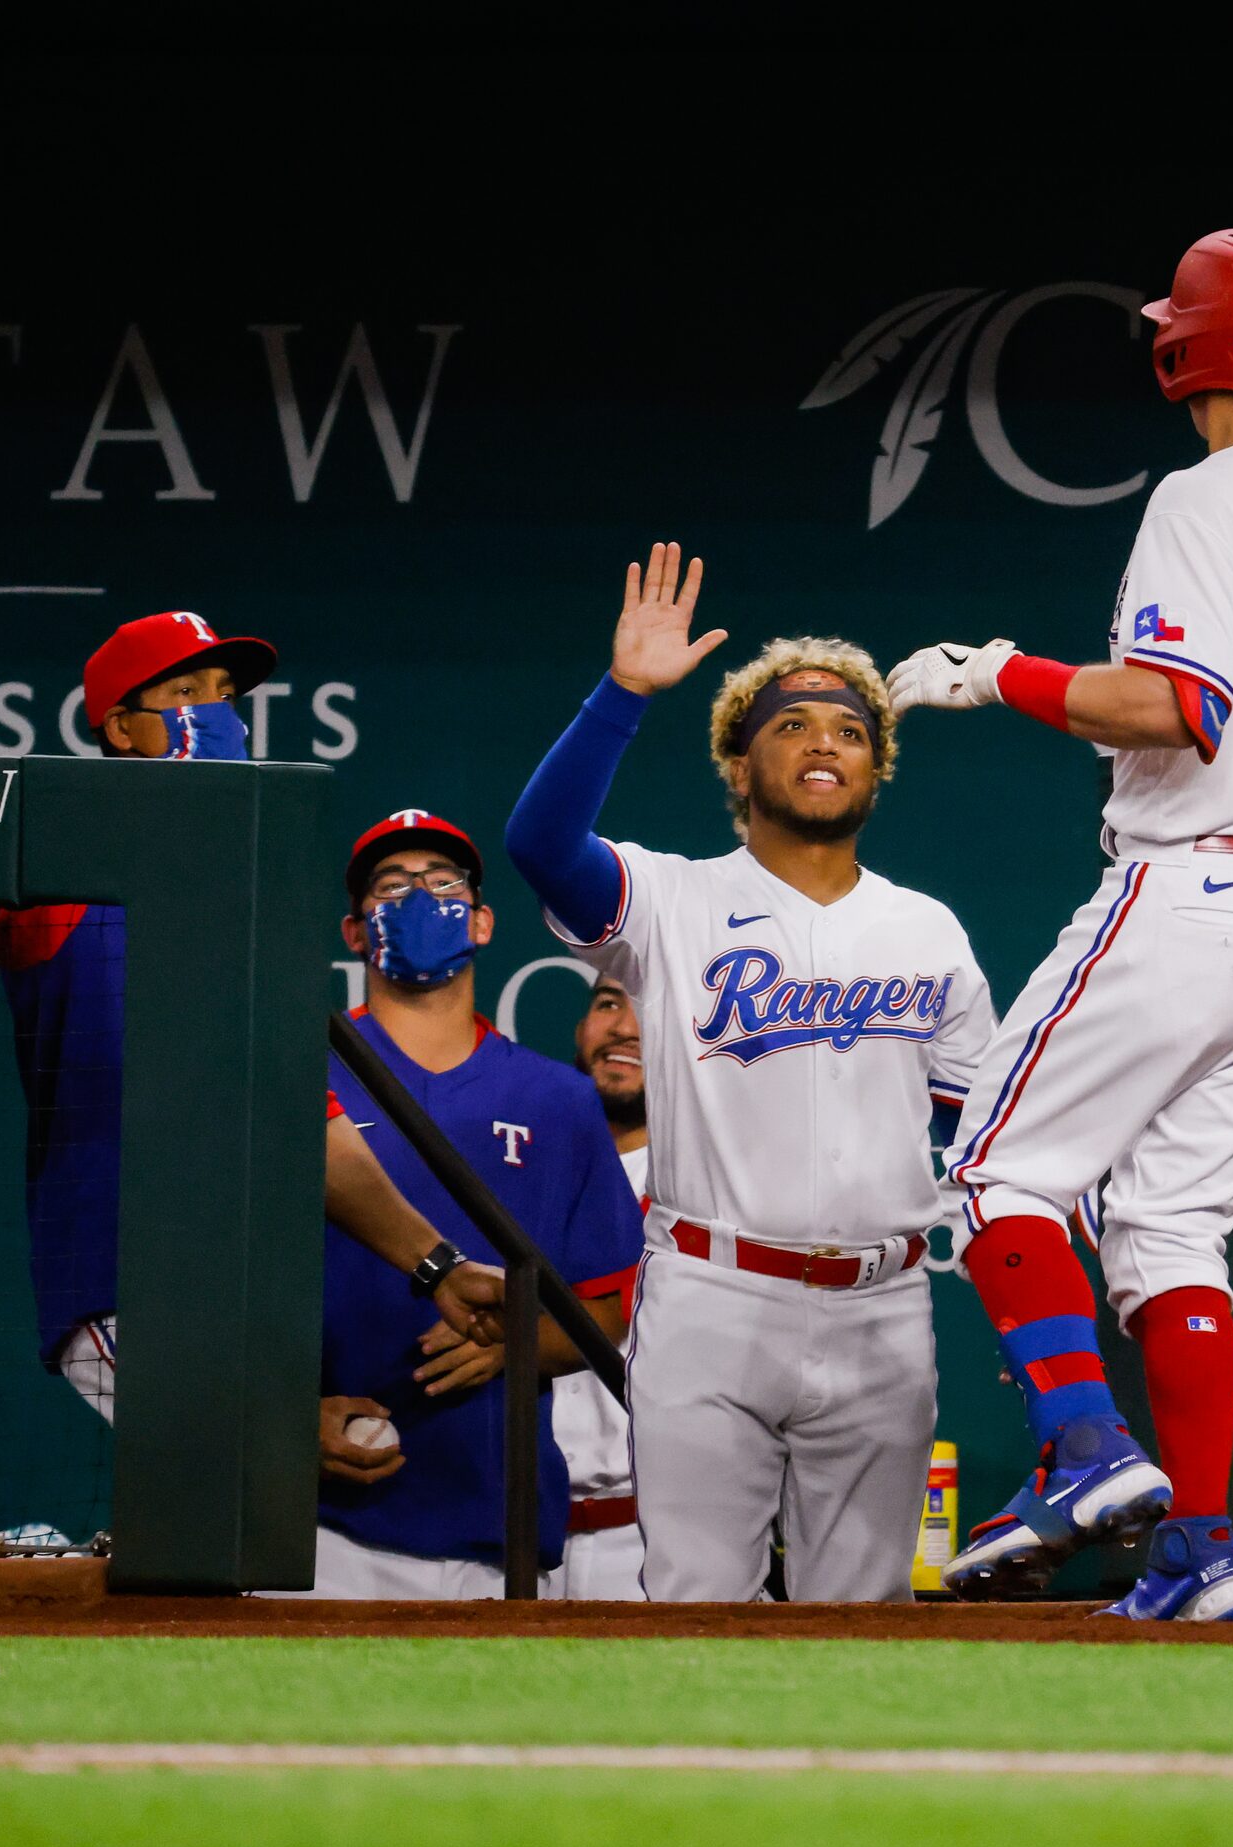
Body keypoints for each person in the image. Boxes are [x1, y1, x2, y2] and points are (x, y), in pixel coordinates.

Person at [884, 228, 1233, 1621]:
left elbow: (1174, 706)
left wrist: (997, 671)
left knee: (1000, 1170)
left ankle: (1082, 1447)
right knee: (1173, 1225)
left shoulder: (1200, 494)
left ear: (1192, 349)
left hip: (1201, 883)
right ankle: (1201, 1553)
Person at [0, 613, 499, 1425]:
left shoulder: (242, 902)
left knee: (264, 1525)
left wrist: (438, 1267)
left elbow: (308, 1126)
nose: (216, 712)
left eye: (226, 694)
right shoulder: (61, 878)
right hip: (122, 1289)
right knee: (234, 1487)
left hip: (236, 1285)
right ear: (121, 727)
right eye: (186, 692)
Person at [507, 562, 993, 1604]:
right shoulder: (671, 900)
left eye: (850, 729)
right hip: (712, 1294)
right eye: (791, 724)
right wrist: (623, 693)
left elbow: (985, 1140)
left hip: (884, 1303)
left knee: (865, 1621)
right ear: (737, 764)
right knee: (693, 1607)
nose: (825, 740)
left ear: (877, 770)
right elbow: (540, 846)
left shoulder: (928, 929)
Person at [288, 809, 637, 1598]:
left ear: (481, 920)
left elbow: (610, 1310)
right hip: (314, 1517)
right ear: (354, 930)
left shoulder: (559, 1100)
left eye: (442, 884)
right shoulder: (297, 1074)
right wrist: (275, 1424)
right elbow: (218, 1285)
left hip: (496, 1519)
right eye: (391, 886)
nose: (418, 897)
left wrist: (521, 1344)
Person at [550, 973, 650, 1599]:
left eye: (650, 1007)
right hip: (508, 1536)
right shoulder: (518, 1169)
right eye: (609, 1002)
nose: (625, 1026)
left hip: (649, 1543)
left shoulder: (717, 1193)